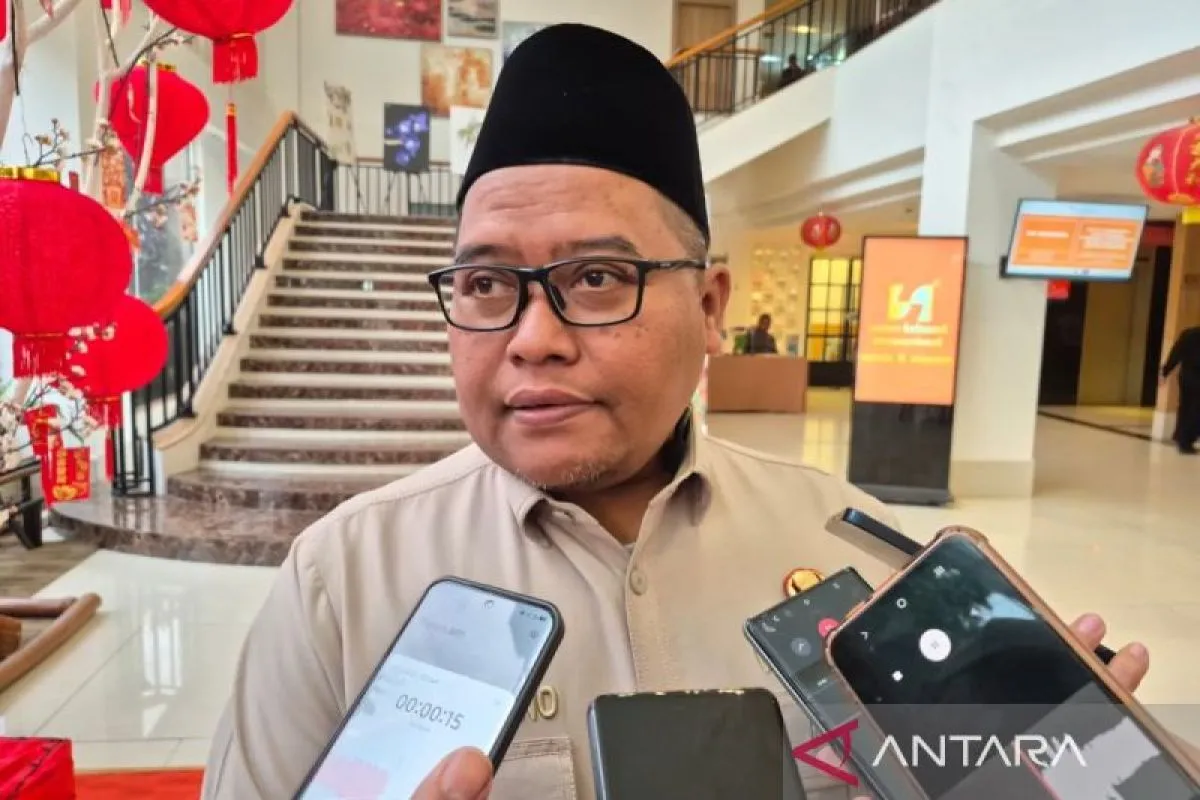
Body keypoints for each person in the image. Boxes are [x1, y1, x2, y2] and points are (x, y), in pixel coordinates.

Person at [202, 24, 1156, 800]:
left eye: (596, 277)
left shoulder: (856, 555)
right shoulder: (343, 584)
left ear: (708, 308)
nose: (533, 338)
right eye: (488, 284)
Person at [1162, 325, 1200, 454]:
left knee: (1185, 406)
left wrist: (1166, 371)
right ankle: (1185, 440)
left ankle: (1181, 437)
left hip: (1185, 377)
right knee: (1195, 410)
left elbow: (1176, 352)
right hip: (1197, 378)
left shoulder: (1188, 334)